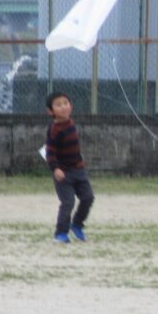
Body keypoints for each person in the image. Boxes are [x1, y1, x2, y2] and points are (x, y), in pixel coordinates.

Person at [45, 91, 95, 244]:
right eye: (58, 105)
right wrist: (55, 169)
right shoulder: (54, 130)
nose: (63, 107)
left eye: (65, 103)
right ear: (50, 111)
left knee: (88, 197)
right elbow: (50, 153)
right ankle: (60, 233)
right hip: (63, 173)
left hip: (78, 170)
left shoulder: (71, 123)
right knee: (68, 203)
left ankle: (77, 225)